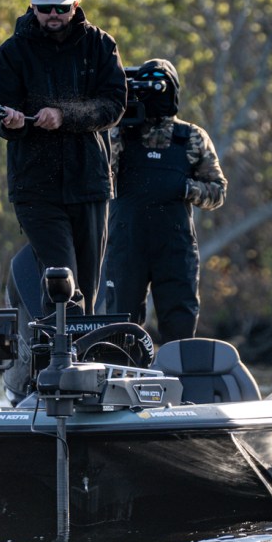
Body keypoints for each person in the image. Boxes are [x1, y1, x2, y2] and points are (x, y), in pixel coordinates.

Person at [0, 0, 127, 314]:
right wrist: (12, 122)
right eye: (45, 7)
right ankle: (54, 344)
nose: (53, 14)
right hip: (35, 187)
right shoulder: (11, 53)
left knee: (87, 287)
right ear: (32, 7)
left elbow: (113, 106)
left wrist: (64, 116)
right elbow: (2, 116)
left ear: (75, 6)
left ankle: (77, 346)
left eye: (61, 8)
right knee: (60, 279)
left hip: (89, 183)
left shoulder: (101, 45)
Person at [103, 58, 227, 342]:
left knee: (180, 327)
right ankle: (126, 370)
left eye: (158, 87)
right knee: (121, 331)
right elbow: (98, 179)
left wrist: (185, 188)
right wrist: (114, 122)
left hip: (174, 250)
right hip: (127, 246)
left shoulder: (192, 137)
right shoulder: (119, 133)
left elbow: (218, 191)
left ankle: (178, 370)